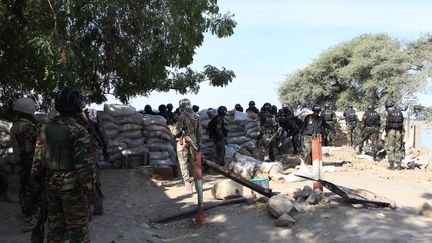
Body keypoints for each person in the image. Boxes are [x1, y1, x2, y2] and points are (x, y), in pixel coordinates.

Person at [32, 86, 95, 242]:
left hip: (50, 186)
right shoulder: (78, 131)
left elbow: (37, 160)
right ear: (77, 106)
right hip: (72, 189)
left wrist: (36, 184)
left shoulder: (45, 128)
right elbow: (84, 167)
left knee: (55, 231)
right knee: (78, 233)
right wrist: (91, 194)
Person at [10, 97, 39, 226]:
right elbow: (39, 140)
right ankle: (31, 216)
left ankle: (26, 214)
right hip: (30, 161)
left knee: (24, 188)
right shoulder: (28, 126)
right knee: (33, 189)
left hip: (20, 162)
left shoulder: (15, 125)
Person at [78, 107, 106, 215]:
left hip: (88, 149)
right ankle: (93, 206)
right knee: (91, 179)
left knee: (92, 179)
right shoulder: (88, 116)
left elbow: (98, 131)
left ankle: (95, 206)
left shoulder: (90, 115)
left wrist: (104, 146)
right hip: (87, 149)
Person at [175, 99, 202, 193]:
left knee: (183, 163)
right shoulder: (196, 116)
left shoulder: (181, 116)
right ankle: (196, 185)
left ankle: (188, 185)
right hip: (193, 141)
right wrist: (198, 143)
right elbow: (199, 132)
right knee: (193, 163)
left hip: (182, 142)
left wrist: (171, 126)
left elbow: (176, 131)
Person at [384, 99, 405, 170]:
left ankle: (391, 165)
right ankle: (399, 165)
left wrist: (385, 132)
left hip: (391, 132)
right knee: (398, 147)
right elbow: (402, 124)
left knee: (390, 148)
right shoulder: (399, 112)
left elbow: (386, 123)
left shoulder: (387, 112)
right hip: (399, 131)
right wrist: (402, 133)